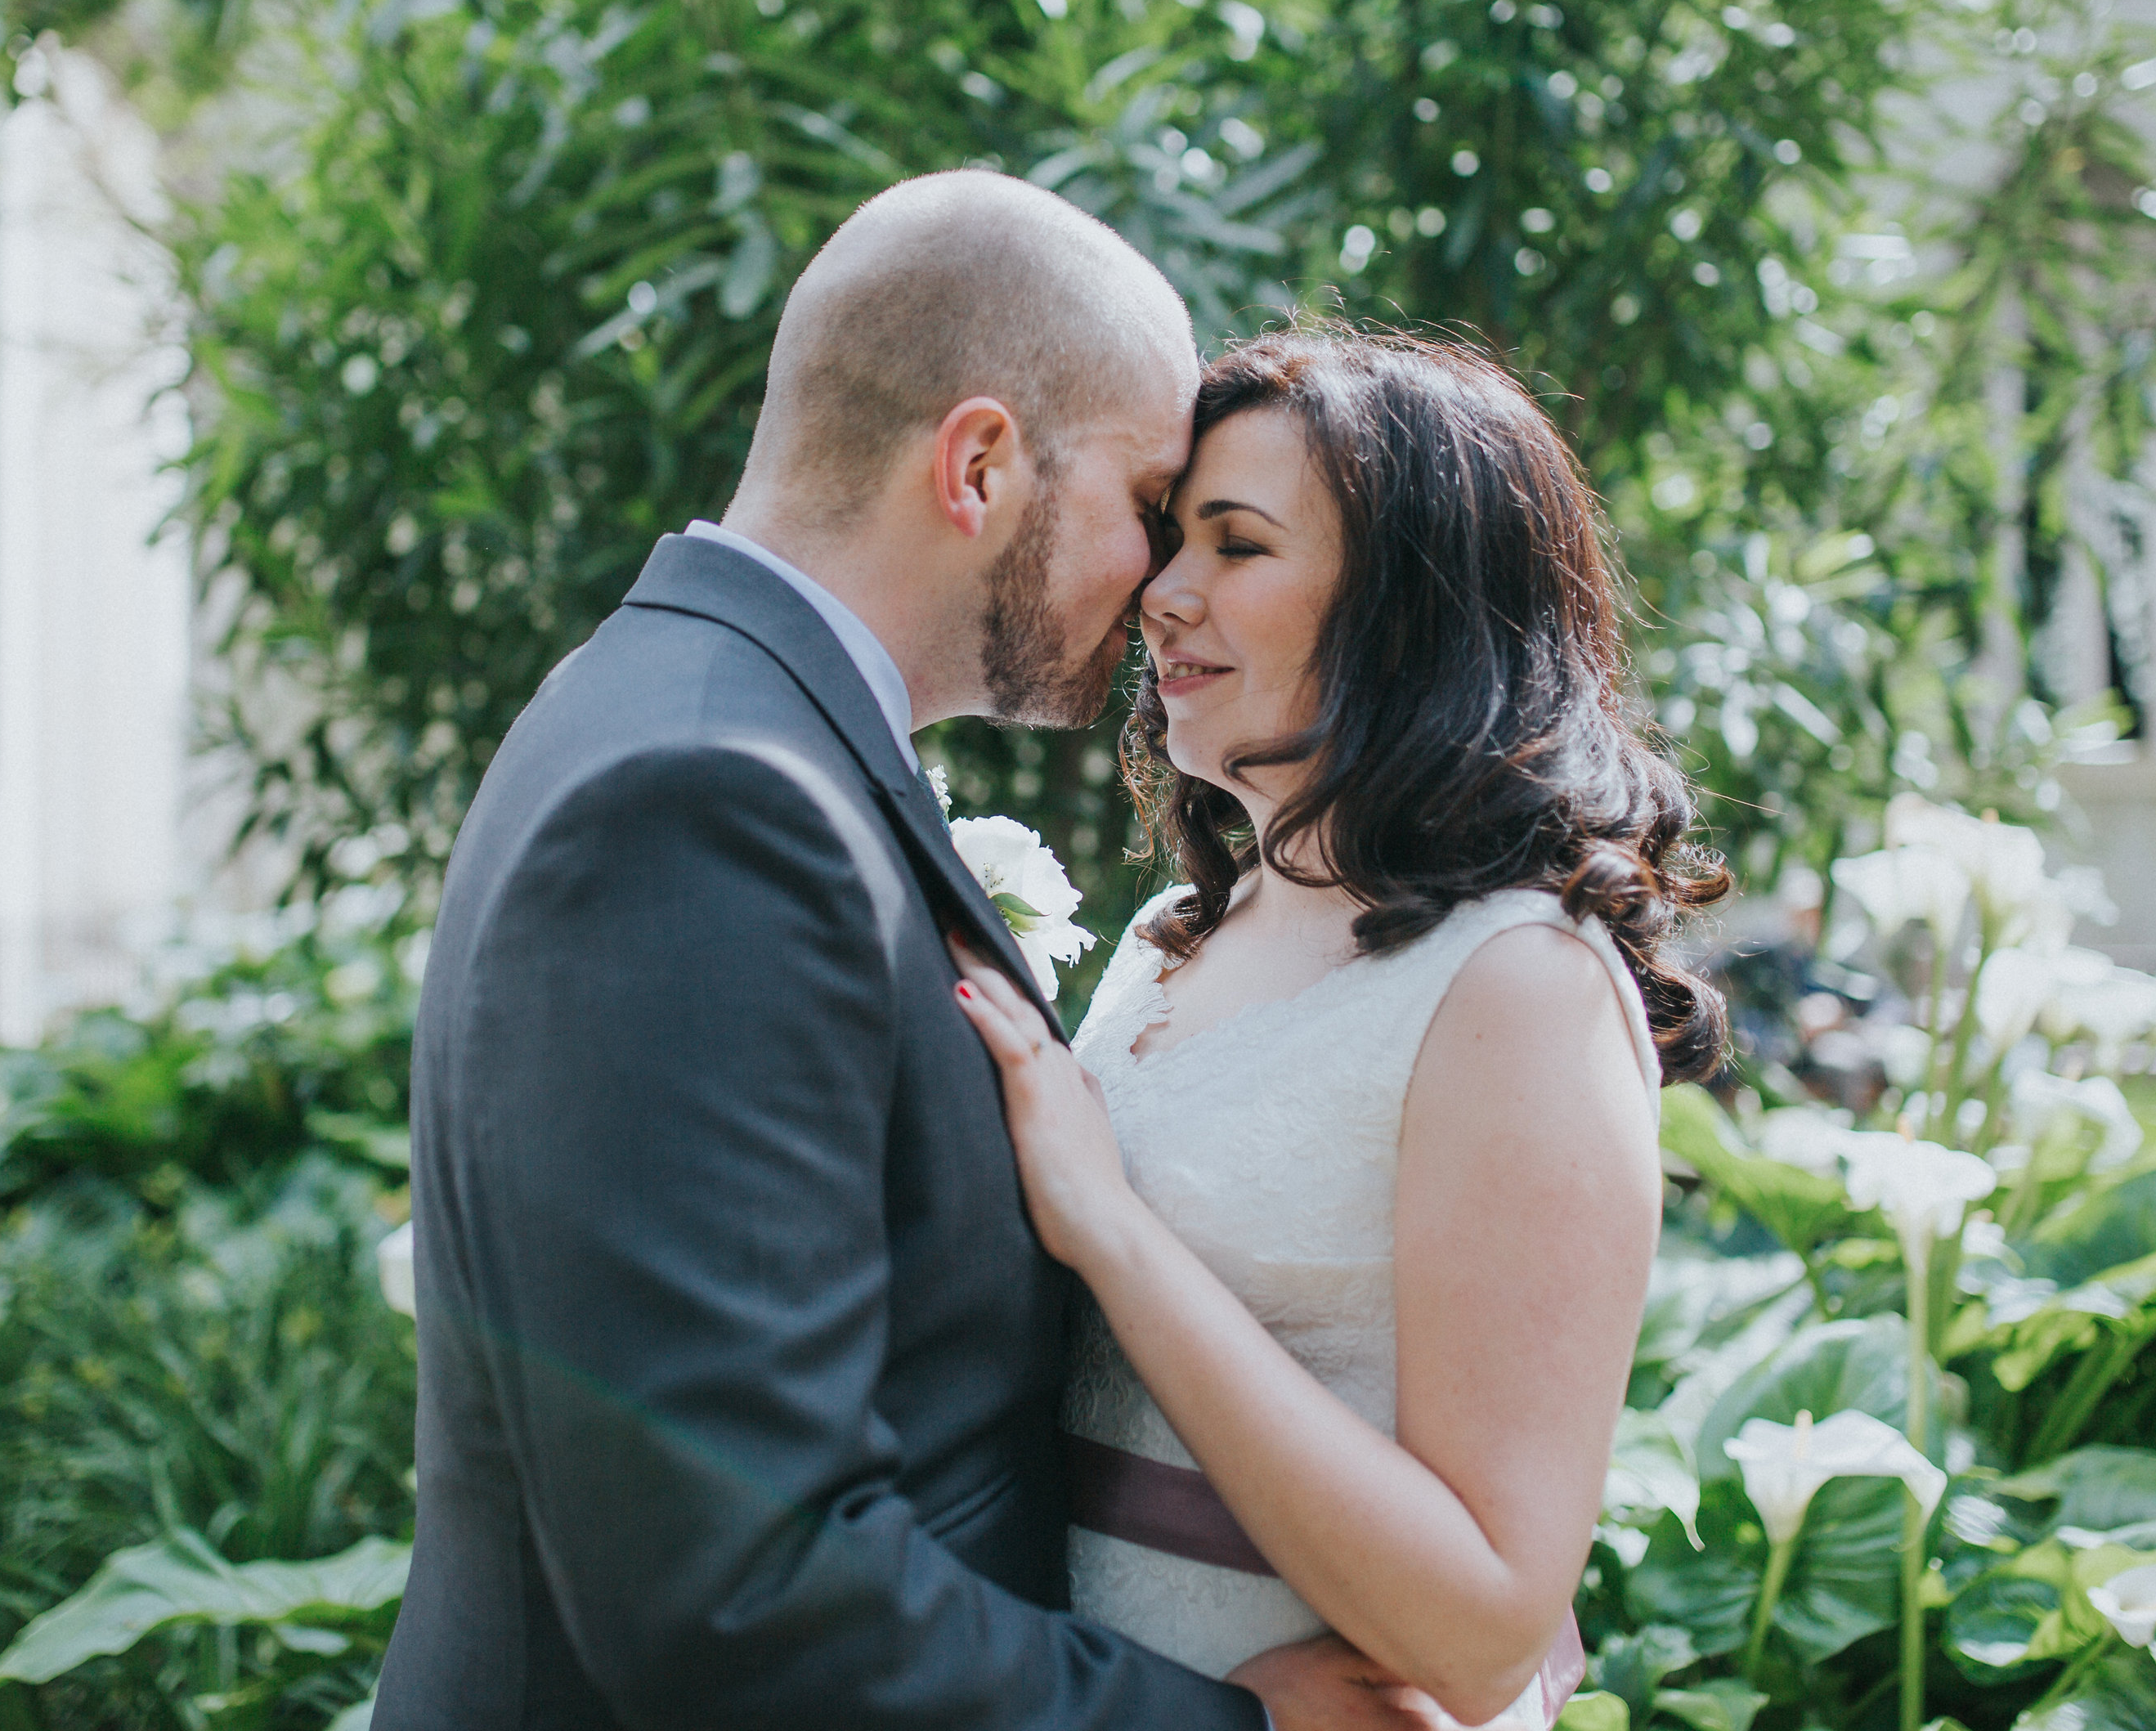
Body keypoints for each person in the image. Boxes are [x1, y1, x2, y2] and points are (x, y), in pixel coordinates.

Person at [374, 174, 1425, 1729]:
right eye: (1143, 510)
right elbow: (733, 1594)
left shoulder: (693, 715)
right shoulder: (709, 799)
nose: (1159, 585)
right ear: (981, 463)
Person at [951, 327, 1731, 1729]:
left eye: (1236, 546)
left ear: (1406, 608)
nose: (1163, 596)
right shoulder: (1170, 940)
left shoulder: (1517, 987)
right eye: (1168, 539)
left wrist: (1110, 1232)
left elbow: (1485, 1625)